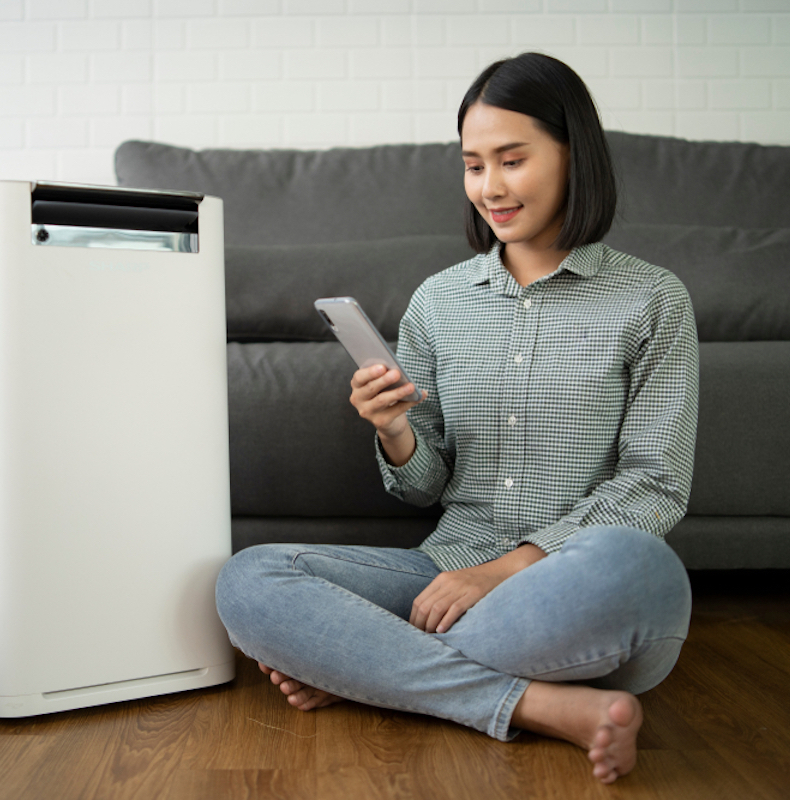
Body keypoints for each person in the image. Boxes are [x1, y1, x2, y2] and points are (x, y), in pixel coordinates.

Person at [215, 52, 699, 785]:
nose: (490, 187)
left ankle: (367, 668)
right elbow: (422, 486)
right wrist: (395, 432)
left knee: (640, 568)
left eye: (512, 160)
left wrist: (500, 574)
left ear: (576, 156)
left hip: (572, 587)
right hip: (442, 573)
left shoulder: (653, 300)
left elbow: (655, 486)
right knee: (249, 578)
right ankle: (538, 703)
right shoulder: (439, 302)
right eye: (474, 165)